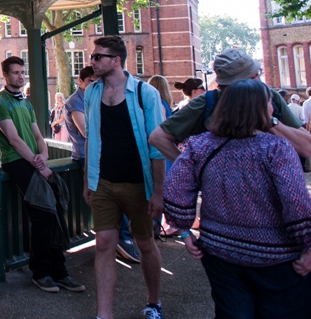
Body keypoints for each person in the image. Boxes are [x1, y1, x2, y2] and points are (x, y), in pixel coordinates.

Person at [163, 79, 311, 318]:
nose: (273, 108)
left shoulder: (199, 146)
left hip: (219, 254)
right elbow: (296, 203)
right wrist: (308, 243)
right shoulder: (276, 148)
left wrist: (184, 230)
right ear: (260, 108)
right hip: (277, 258)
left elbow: (175, 189)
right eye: (270, 103)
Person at [83, 36, 166, 319]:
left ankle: (153, 302)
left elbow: (157, 144)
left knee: (144, 243)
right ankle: (103, 314)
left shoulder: (145, 93)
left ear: (115, 61)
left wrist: (158, 192)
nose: (92, 61)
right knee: (104, 242)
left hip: (137, 183)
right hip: (103, 181)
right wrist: (88, 182)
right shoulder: (92, 92)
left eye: (97, 57)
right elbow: (91, 139)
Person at [0, 56, 83, 295]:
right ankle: (42, 272)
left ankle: (59, 271)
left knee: (54, 210)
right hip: (17, 162)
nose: (20, 76)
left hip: (35, 162)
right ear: (5, 75)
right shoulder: (1, 102)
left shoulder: (26, 103)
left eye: (22, 72)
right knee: (44, 214)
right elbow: (13, 139)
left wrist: (43, 154)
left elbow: (37, 135)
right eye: (15, 72)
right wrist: (38, 164)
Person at [150, 48, 311, 162]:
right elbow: (158, 138)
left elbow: (307, 147)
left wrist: (269, 121)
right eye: (256, 75)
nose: (259, 81)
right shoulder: (208, 102)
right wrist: (192, 172)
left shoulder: (270, 96)